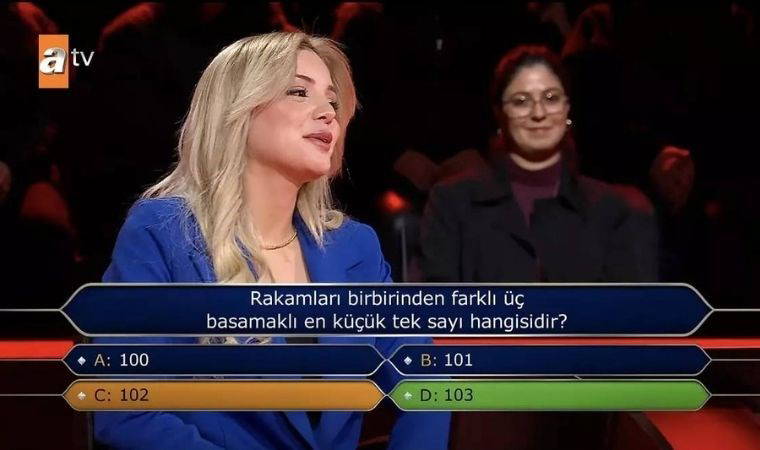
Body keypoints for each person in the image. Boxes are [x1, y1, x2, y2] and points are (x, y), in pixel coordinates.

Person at [95, 31, 450, 450]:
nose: (327, 113)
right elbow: (127, 411)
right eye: (299, 92)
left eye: (333, 102)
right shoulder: (163, 232)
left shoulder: (354, 247)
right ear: (237, 109)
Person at [420, 44, 657, 449]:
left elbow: (630, 325)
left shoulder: (612, 209)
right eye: (521, 100)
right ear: (500, 114)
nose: (538, 113)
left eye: (550, 98)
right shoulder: (453, 201)